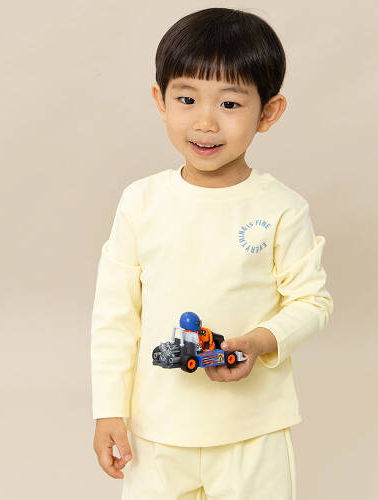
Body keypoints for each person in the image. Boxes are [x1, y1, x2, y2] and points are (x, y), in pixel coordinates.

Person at [91, 7, 334, 499]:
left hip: (253, 429)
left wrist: (260, 341)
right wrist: (108, 410)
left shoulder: (282, 208)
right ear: (160, 101)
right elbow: (115, 316)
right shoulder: (141, 202)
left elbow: (312, 302)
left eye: (229, 103)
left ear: (268, 113)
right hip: (156, 432)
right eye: (186, 99)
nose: (205, 122)